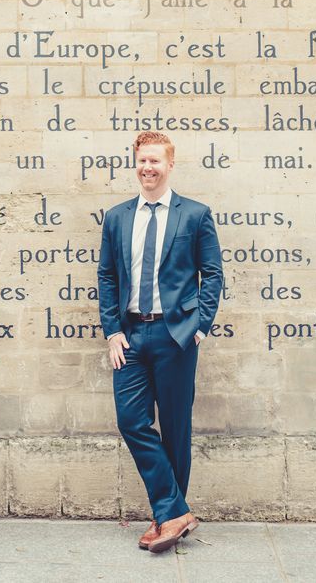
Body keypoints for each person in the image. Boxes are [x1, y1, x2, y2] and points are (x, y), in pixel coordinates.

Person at [97, 132, 223, 554]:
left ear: (170, 165)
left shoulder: (195, 215)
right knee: (131, 421)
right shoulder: (117, 217)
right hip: (130, 334)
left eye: (155, 160)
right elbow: (108, 276)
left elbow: (213, 275)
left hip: (176, 335)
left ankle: (164, 517)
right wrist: (113, 330)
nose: (147, 167)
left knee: (175, 427)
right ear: (135, 164)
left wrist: (199, 327)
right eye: (141, 160)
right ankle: (175, 512)